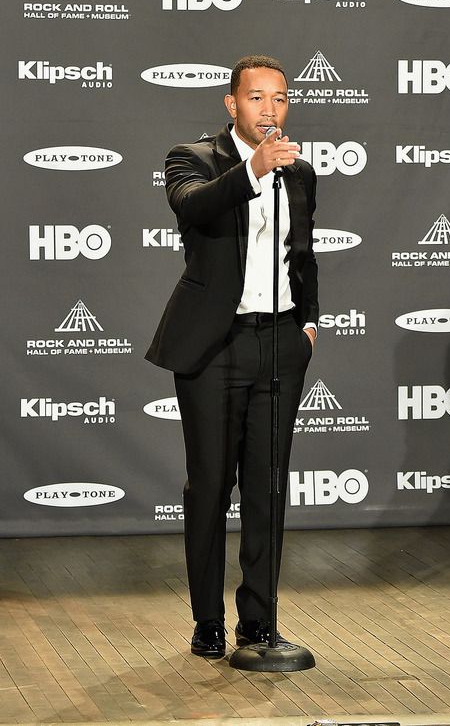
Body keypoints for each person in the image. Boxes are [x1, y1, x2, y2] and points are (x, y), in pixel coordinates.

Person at [145, 55, 318, 658]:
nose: (269, 110)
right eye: (256, 98)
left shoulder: (301, 173)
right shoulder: (192, 158)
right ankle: (207, 623)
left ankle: (259, 623)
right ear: (231, 103)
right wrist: (252, 168)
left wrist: (309, 323)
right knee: (212, 486)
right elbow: (194, 207)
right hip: (213, 346)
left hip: (278, 344)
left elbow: (305, 253)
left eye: (279, 98)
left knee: (268, 488)